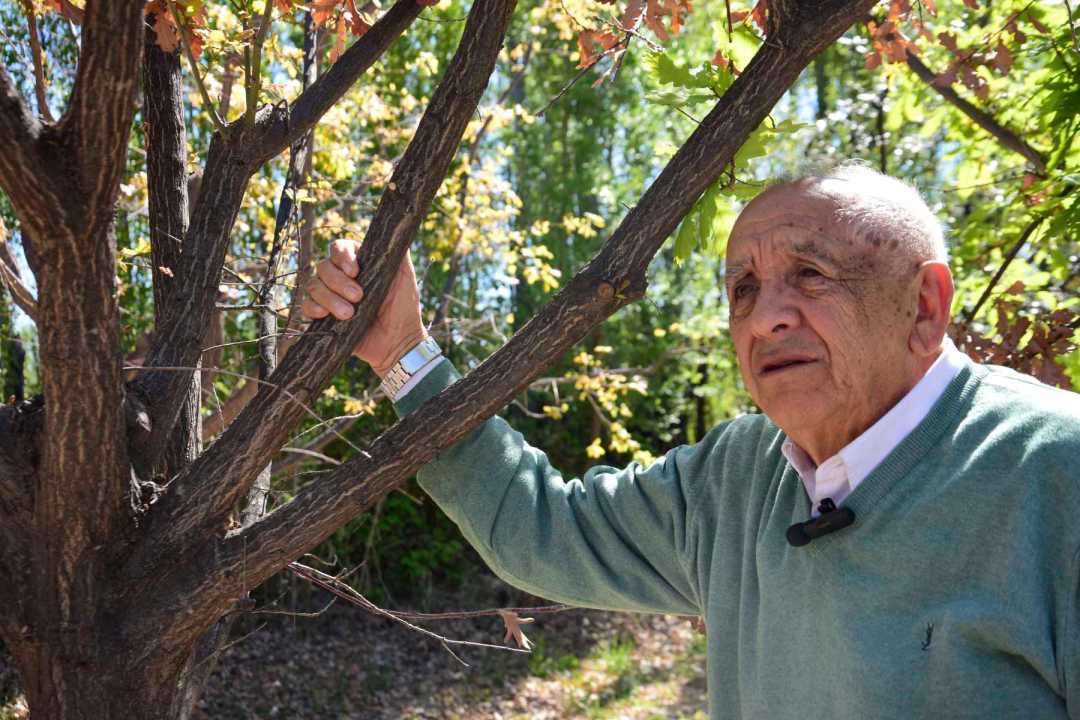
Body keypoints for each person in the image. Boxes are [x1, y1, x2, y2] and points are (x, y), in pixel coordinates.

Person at [302, 163, 1080, 719]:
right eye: (743, 288)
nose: (766, 315)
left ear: (925, 304)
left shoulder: (1054, 474)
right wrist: (404, 355)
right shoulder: (738, 479)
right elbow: (545, 529)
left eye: (811, 273)